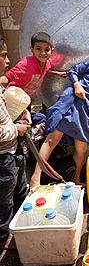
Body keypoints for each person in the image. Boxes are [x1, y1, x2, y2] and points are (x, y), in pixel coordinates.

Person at [29, 42, 89, 187]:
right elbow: (73, 70)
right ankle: (35, 177)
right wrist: (77, 85)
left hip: (86, 113)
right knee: (52, 140)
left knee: (81, 151)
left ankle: (75, 180)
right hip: (71, 102)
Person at [0, 36, 30, 249]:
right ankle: (4, 238)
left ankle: (22, 228)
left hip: (13, 150)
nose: (8, 61)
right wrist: (15, 129)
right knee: (4, 201)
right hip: (3, 158)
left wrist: (22, 115)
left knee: (20, 190)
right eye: (3, 56)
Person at [0, 32, 66, 98]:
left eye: (46, 49)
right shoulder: (26, 63)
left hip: (26, 97)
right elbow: (9, 77)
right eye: (38, 49)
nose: (43, 53)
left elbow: (46, 70)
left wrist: (58, 73)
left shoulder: (47, 64)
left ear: (51, 51)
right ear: (32, 49)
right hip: (14, 97)